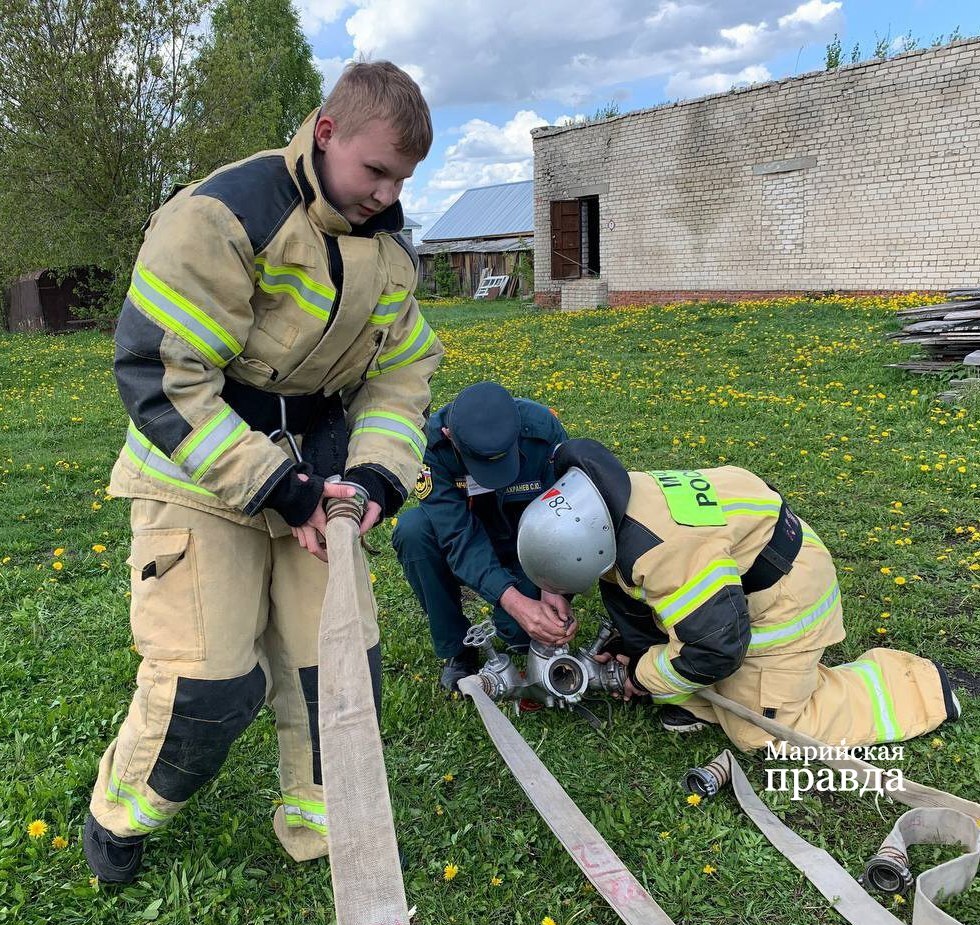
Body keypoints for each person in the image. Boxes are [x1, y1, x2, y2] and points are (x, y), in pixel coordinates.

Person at [84, 61, 443, 883]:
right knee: (208, 685)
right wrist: (282, 489)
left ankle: (324, 826)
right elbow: (160, 376)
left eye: (403, 179)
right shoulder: (222, 214)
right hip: (196, 471)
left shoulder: (386, 249)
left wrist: (377, 478)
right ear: (326, 133)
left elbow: (402, 373)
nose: (388, 195)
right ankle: (120, 812)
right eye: (376, 170)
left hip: (317, 480)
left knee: (339, 669)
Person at [516, 439, 960, 750]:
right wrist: (630, 651)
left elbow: (716, 648)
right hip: (732, 586)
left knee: (762, 731)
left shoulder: (662, 551)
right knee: (678, 667)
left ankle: (916, 689)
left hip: (789, 596)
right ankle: (706, 701)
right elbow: (632, 598)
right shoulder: (611, 506)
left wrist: (640, 676)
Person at [392, 382, 574, 690]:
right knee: (413, 530)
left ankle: (520, 617)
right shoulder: (433, 446)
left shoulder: (542, 428)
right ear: (451, 437)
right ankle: (458, 649)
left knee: (518, 635)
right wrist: (515, 601)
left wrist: (552, 584)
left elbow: (563, 511)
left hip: (528, 546)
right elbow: (458, 537)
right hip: (473, 540)